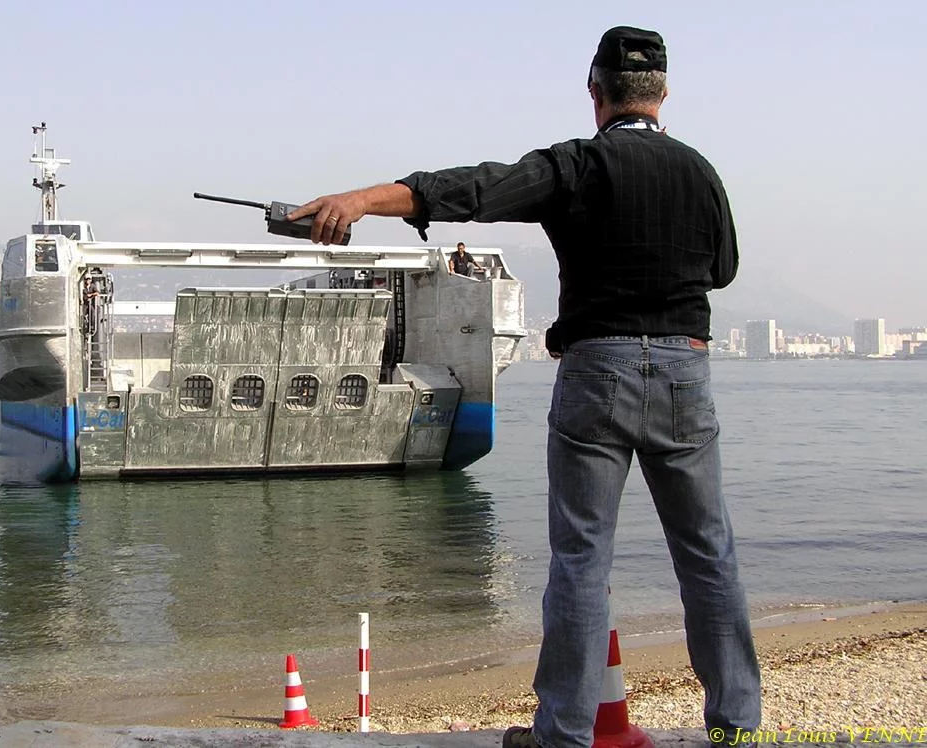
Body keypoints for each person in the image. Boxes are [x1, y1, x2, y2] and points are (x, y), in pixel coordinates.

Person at [287, 25, 761, 748]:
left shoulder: (578, 166)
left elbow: (474, 188)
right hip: (683, 370)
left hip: (596, 369)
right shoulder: (700, 172)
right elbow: (721, 269)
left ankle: (564, 733)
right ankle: (737, 726)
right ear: (663, 94)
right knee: (707, 551)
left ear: (595, 92)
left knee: (582, 556)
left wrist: (360, 199)